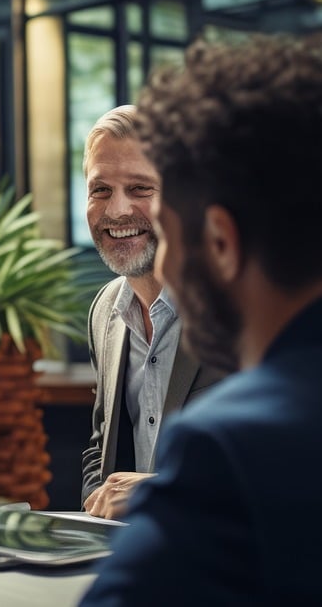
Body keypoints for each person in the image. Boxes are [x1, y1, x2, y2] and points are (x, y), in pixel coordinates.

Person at [81, 36, 322, 604]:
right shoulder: (105, 310)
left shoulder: (228, 445)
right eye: (101, 189)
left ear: (220, 240)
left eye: (174, 230)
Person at [79, 105, 228, 519]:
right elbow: (101, 444)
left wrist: (164, 492)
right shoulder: (104, 310)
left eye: (141, 188)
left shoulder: (242, 307)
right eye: (100, 189)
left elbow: (287, 461)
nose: (116, 211)